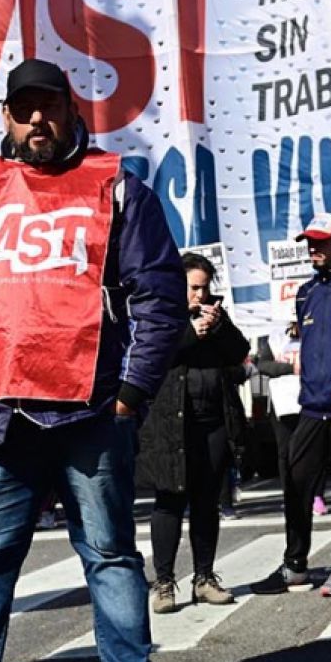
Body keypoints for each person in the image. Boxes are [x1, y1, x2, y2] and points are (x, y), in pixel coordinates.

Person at [0, 57, 189, 662]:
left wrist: (130, 395)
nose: (37, 119)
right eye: (23, 108)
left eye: (50, 105)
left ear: (72, 111)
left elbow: (159, 297)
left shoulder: (116, 187)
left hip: (89, 412)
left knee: (111, 556)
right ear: (6, 117)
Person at [252, 214, 331, 597]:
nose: (313, 249)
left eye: (320, 242)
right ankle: (295, 564)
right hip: (312, 406)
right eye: (309, 243)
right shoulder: (306, 292)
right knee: (296, 483)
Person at [137, 253, 249, 613]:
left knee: (207, 501)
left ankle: (204, 578)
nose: (200, 295)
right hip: (172, 424)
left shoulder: (215, 315)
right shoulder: (160, 315)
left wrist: (218, 327)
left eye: (204, 287)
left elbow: (240, 352)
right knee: (169, 500)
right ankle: (164, 582)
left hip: (213, 422)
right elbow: (149, 357)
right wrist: (188, 334)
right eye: (193, 288)